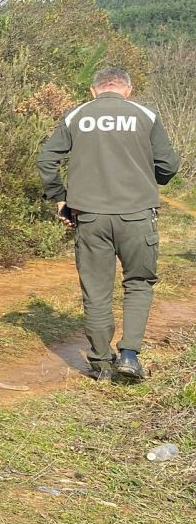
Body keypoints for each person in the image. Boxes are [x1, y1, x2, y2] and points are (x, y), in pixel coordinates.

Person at [37, 67, 180, 382]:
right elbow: (169, 166)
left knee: (97, 290)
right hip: (137, 215)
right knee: (138, 283)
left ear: (93, 91)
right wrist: (149, 176)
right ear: (127, 90)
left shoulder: (76, 116)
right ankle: (129, 356)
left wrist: (60, 197)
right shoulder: (145, 114)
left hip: (89, 217)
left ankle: (101, 364)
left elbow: (47, 161)